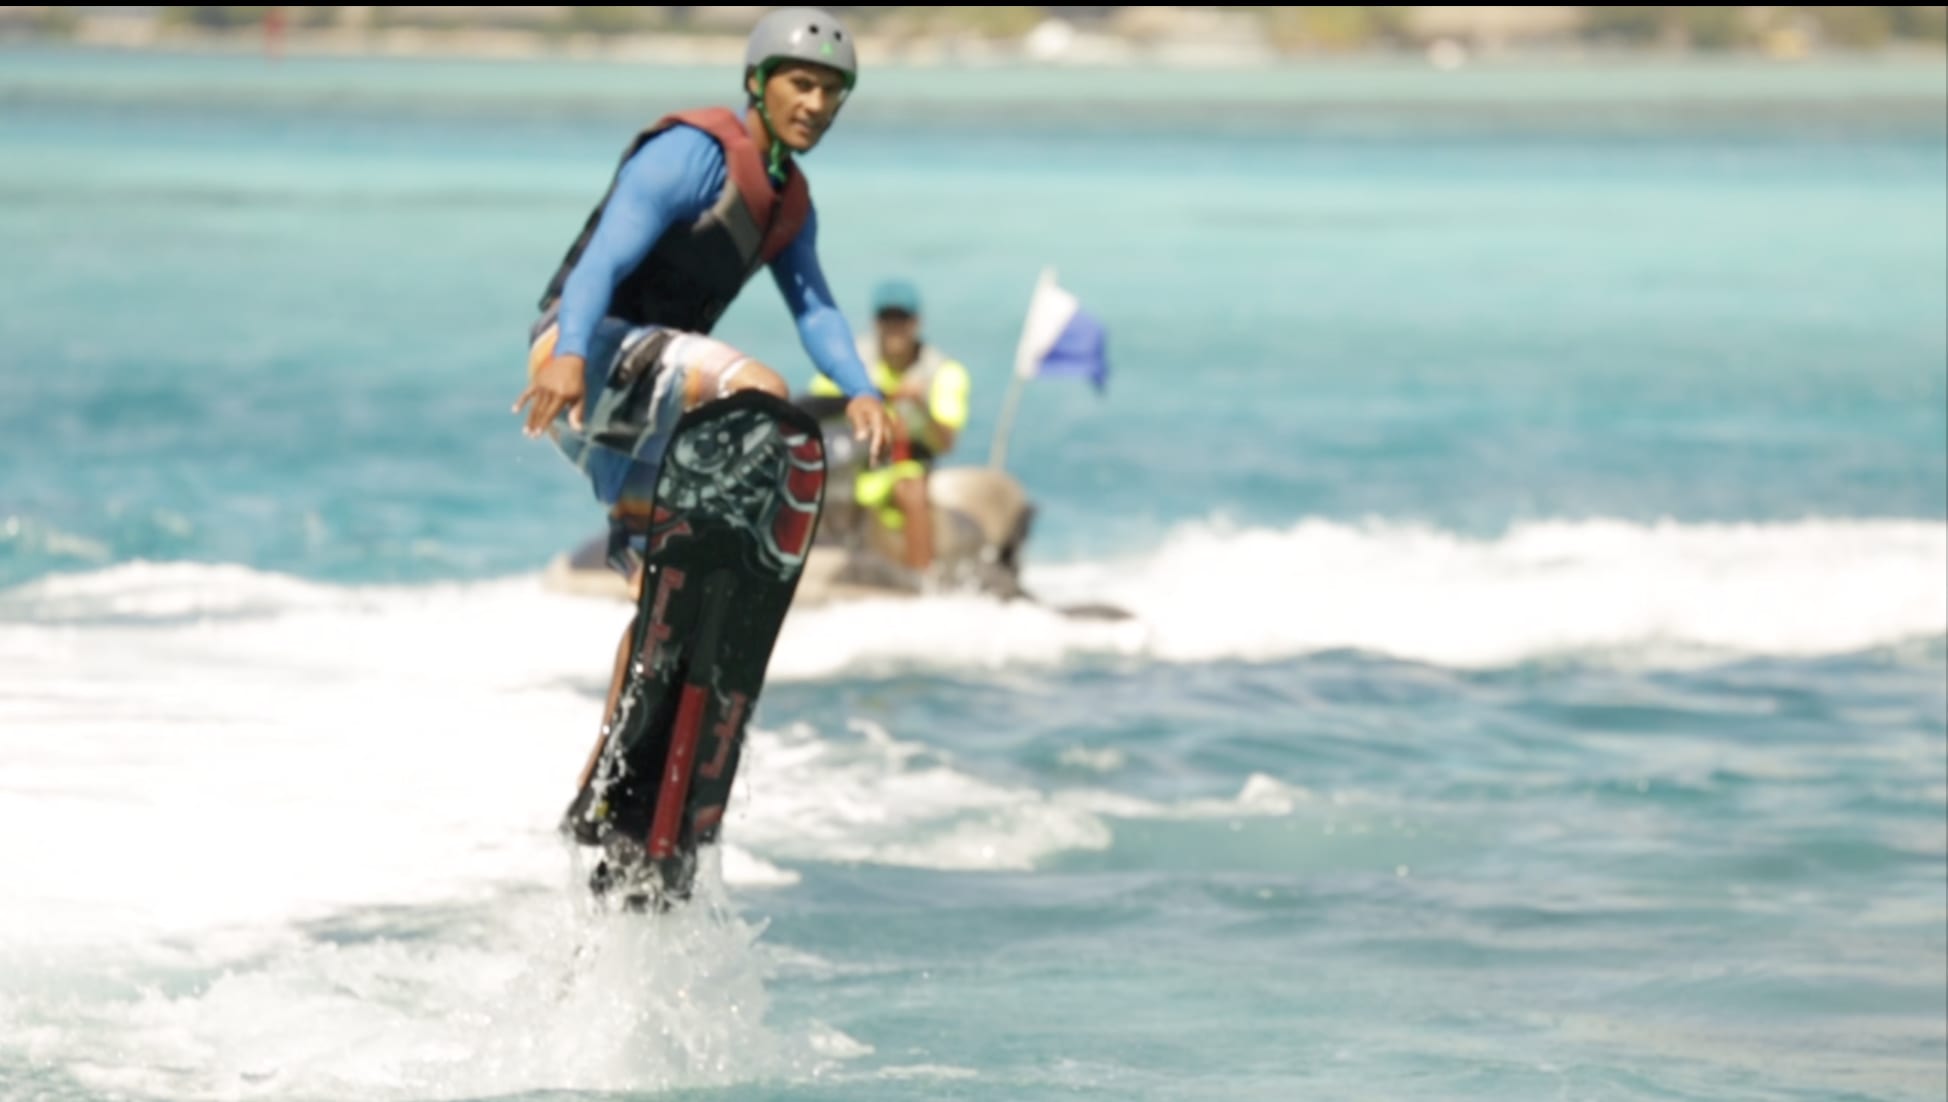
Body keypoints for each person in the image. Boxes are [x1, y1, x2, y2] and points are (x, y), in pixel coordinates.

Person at [511, 7, 896, 813]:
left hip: (637, 402)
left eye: (834, 91)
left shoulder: (789, 204)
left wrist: (862, 389)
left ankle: (610, 784)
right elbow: (603, 258)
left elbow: (818, 311)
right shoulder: (693, 154)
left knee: (659, 602)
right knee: (757, 391)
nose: (817, 104)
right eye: (802, 82)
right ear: (758, 83)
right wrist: (573, 352)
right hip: (580, 358)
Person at [807, 277, 971, 573]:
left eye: (902, 319)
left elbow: (946, 443)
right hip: (853, 463)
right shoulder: (852, 362)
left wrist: (920, 406)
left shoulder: (942, 371)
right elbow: (816, 406)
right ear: (876, 322)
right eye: (888, 319)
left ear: (916, 322)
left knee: (911, 489)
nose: (895, 327)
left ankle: (922, 575)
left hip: (903, 464)